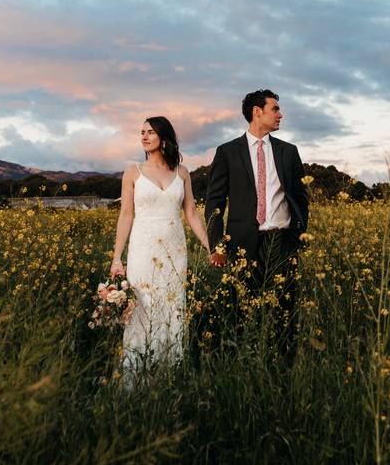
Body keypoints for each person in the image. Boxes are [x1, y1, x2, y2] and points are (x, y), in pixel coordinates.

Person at [204, 89, 309, 362]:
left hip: (283, 243)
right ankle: (243, 367)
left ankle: (282, 370)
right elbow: (215, 204)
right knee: (241, 313)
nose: (280, 114)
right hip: (243, 244)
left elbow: (300, 199)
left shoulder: (289, 152)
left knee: (284, 314)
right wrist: (217, 245)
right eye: (275, 108)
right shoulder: (227, 152)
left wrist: (299, 237)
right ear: (256, 112)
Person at [109, 116, 210, 384]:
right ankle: (136, 378)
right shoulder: (133, 171)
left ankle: (170, 375)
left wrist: (209, 245)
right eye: (141, 132)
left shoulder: (183, 172)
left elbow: (191, 213)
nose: (144, 136)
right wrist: (117, 257)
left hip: (175, 250)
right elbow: (126, 215)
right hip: (142, 250)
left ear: (164, 137)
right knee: (142, 308)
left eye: (150, 132)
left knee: (173, 308)